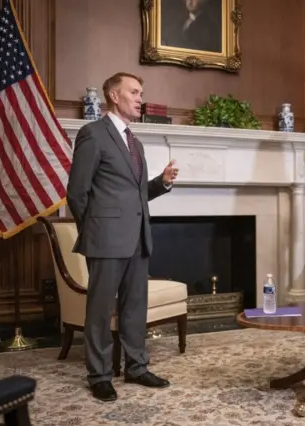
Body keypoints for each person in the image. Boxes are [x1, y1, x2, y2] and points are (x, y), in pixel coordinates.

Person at [66, 72, 179, 402]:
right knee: (100, 310)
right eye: (135, 92)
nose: (140, 97)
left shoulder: (135, 142)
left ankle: (137, 366)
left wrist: (163, 182)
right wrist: (95, 229)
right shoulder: (92, 134)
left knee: (134, 307)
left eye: (141, 92)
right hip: (105, 238)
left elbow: (138, 193)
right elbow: (76, 192)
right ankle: (99, 374)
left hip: (138, 237)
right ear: (114, 96)